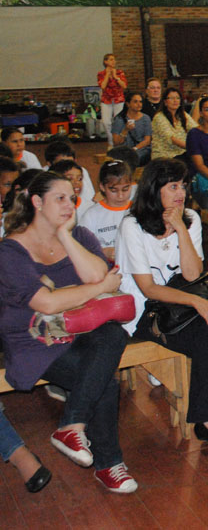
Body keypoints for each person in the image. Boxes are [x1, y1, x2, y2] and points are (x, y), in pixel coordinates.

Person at [0, 171, 136, 492]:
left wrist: (64, 236)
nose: (69, 204)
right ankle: (109, 464)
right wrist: (100, 287)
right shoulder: (9, 251)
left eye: (72, 198)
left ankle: (72, 424)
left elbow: (96, 273)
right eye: (59, 198)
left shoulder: (80, 236)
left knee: (115, 335)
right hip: (34, 338)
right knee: (103, 380)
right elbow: (45, 304)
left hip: (78, 328)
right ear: (36, 202)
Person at [116, 158, 208, 451]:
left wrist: (181, 229)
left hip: (178, 304)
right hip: (142, 311)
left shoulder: (189, 218)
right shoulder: (132, 224)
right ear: (154, 189)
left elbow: (191, 274)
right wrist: (198, 302)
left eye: (183, 186)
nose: (181, 192)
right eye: (173, 186)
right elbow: (147, 287)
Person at [78, 159, 133, 262]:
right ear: (102, 187)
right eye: (113, 190)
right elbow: (79, 249)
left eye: (125, 189)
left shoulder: (139, 210)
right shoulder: (91, 215)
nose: (120, 196)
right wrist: (102, 252)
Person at [43, 139, 96, 205]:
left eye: (79, 179)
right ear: (49, 164)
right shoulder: (43, 177)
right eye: (62, 164)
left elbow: (90, 198)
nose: (68, 167)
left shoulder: (79, 171)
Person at [151, 87, 196, 161]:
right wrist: (192, 147)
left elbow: (195, 129)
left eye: (178, 98)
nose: (175, 101)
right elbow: (172, 139)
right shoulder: (159, 117)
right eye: (171, 98)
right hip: (165, 157)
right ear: (165, 102)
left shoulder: (183, 115)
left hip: (182, 154)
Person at [110, 91, 153, 166]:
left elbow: (147, 140)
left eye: (140, 102)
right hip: (124, 150)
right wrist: (125, 130)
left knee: (136, 157)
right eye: (135, 102)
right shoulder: (120, 119)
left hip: (141, 149)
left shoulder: (146, 118)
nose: (139, 104)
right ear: (128, 104)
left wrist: (135, 149)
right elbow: (116, 142)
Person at [97, 53, 127, 148]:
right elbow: (103, 86)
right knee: (106, 122)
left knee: (118, 121)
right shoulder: (101, 74)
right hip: (107, 100)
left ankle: (119, 141)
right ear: (105, 62)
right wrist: (107, 75)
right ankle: (111, 142)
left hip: (118, 99)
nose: (113, 61)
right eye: (111, 59)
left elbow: (124, 86)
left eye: (114, 59)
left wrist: (115, 77)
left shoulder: (120, 72)